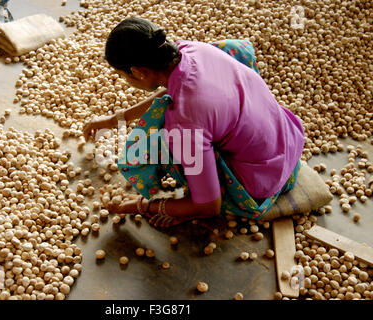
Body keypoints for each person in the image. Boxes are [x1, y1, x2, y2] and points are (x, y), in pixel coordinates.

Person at [83, 17, 305, 228]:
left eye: (124, 76)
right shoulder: (192, 50)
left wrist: (139, 206)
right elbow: (172, 89)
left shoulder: (183, 121)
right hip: (290, 142)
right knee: (189, 128)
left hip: (265, 182)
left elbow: (210, 206)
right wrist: (115, 119)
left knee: (164, 138)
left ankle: (188, 208)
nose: (125, 81)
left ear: (139, 72)